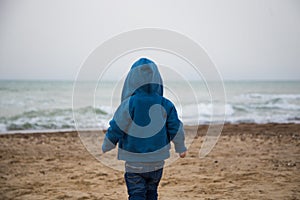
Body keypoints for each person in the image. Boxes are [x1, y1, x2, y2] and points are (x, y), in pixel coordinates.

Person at [102, 58, 187, 200]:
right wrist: (181, 147)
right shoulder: (165, 104)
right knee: (151, 192)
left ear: (131, 81)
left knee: (136, 193)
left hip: (134, 160)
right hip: (157, 161)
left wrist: (108, 144)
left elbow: (117, 126)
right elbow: (175, 127)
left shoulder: (129, 103)